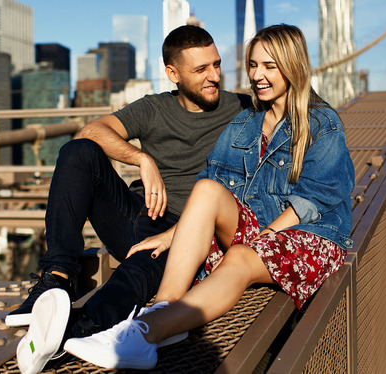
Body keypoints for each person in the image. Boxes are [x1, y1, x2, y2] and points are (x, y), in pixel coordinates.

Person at [60, 24, 355, 370]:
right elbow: (213, 182)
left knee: (242, 257)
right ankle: (161, 310)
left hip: (308, 236)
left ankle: (142, 333)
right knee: (205, 188)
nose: (257, 76)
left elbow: (317, 198)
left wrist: (268, 235)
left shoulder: (322, 123)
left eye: (269, 67)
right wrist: (172, 234)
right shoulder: (244, 123)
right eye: (253, 65)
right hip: (258, 230)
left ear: (293, 66)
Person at [13, 25, 252, 374]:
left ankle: (74, 330)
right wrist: (142, 159)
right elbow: (91, 131)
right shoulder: (154, 108)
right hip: (139, 216)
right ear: (173, 73)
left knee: (137, 271)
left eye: (216, 65)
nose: (214, 76)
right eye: (201, 70)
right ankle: (59, 275)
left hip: (189, 234)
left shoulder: (243, 108)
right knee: (78, 152)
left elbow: (295, 110)